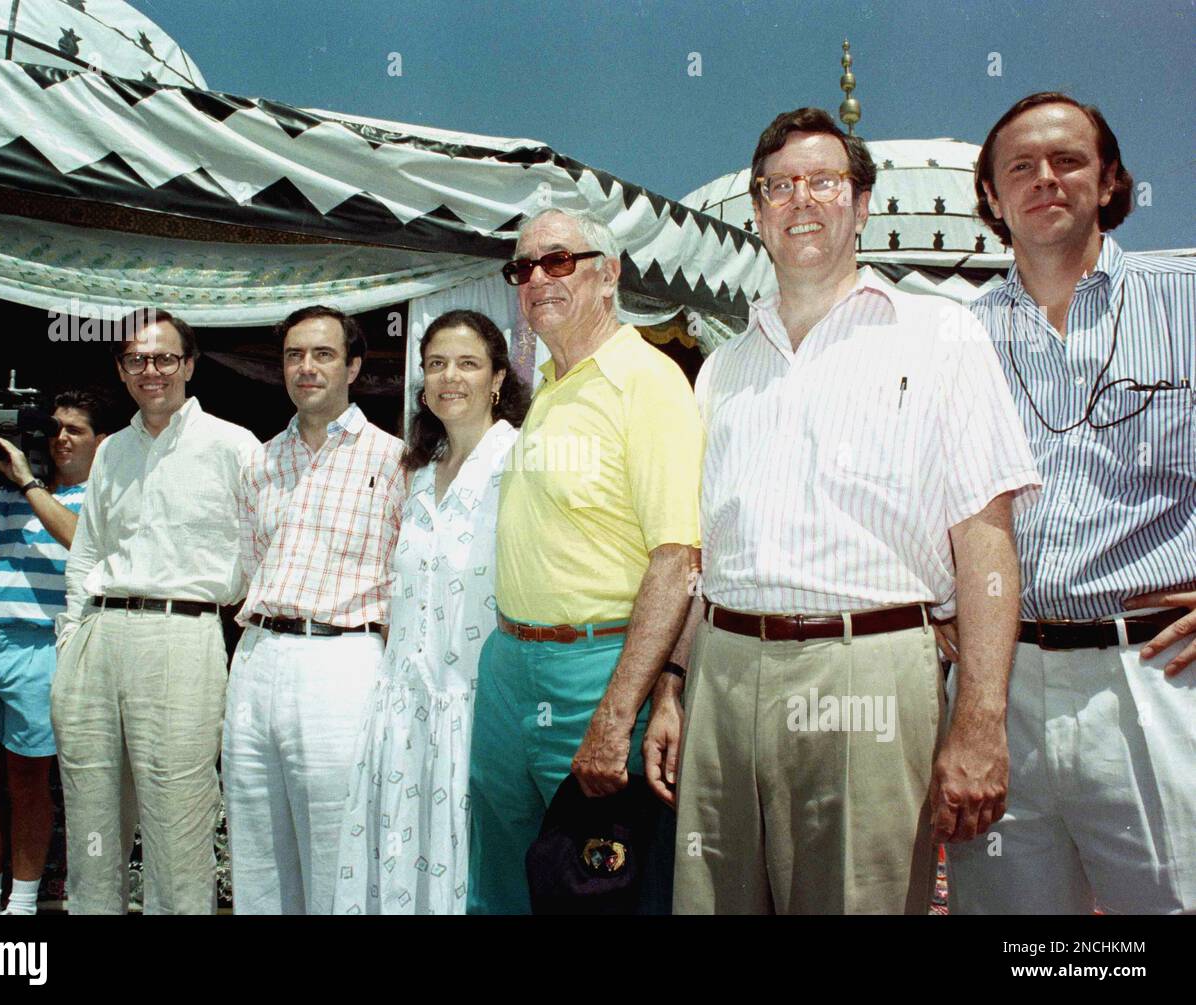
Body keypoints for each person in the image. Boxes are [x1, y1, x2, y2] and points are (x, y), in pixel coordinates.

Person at [648, 107, 1042, 914]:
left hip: (868, 670)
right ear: (757, 211)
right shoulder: (722, 368)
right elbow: (703, 551)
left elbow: (986, 541)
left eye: (824, 182)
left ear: (861, 205)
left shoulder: (941, 336)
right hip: (725, 669)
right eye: (780, 186)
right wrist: (674, 688)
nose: (802, 200)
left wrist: (980, 719)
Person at [948, 92, 1196, 914]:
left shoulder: (1184, 296)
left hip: (1153, 675)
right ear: (990, 196)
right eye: (1019, 166)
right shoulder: (957, 338)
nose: (1043, 178)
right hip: (999, 686)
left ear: (1111, 178)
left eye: (1068, 160)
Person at [468, 207, 703, 914]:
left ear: (610, 274)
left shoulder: (649, 382)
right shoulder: (546, 390)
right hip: (509, 665)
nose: (538, 276)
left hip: (595, 671)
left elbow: (677, 558)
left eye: (559, 260)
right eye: (524, 266)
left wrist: (617, 712)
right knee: (503, 887)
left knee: (599, 892)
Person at [53, 308, 260, 915]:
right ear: (122, 371)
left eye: (165, 357)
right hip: (97, 638)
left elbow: (259, 547)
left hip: (181, 636)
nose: (152, 370)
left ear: (189, 365)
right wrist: (71, 635)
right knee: (90, 818)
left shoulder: (233, 445)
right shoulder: (111, 449)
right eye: (138, 359)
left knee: (178, 819)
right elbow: (86, 548)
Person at [334, 309, 528, 915]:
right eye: (436, 364)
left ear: (499, 377)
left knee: (476, 875)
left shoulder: (522, 464)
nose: (450, 377)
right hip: (404, 708)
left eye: (468, 364)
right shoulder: (415, 472)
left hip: (479, 710)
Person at [224, 305, 406, 915]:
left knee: (337, 847)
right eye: (294, 355)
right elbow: (251, 565)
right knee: (257, 845)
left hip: (342, 659)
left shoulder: (396, 460)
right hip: (255, 659)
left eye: (323, 354)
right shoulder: (261, 460)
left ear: (353, 366)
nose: (307, 368)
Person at [0, 389, 110, 915]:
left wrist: (30, 483)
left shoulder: (101, 499)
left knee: (29, 777)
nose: (60, 439)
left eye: (74, 430)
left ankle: (24, 902)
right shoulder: (10, 498)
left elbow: (83, 543)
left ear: (102, 443)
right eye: (54, 429)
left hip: (39, 645)